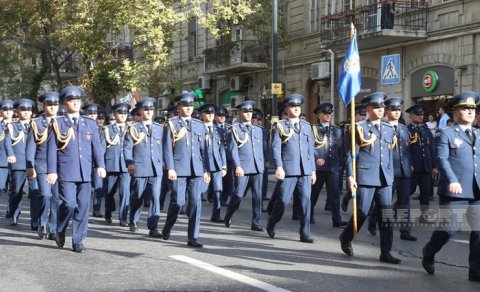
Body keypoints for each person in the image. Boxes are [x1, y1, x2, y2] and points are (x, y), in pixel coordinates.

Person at [422, 91, 480, 282]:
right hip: (455, 190)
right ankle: (429, 251)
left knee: (478, 232)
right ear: (454, 112)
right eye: (465, 108)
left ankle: (475, 270)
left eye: (473, 108)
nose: (470, 112)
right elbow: (441, 159)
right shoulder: (445, 133)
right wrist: (452, 180)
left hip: (476, 190)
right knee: (450, 229)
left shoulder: (478, 134)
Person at [339, 92, 400, 264]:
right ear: (368, 109)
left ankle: (386, 252)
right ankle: (346, 236)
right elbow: (351, 155)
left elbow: (389, 154)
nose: (380, 110)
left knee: (386, 215)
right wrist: (350, 176)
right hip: (366, 176)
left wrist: (392, 175)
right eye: (376, 107)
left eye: (382, 107)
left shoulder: (389, 129)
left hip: (385, 177)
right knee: (363, 212)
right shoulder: (359, 128)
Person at [46, 86, 106, 253]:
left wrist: (100, 165)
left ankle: (78, 239)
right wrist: (52, 171)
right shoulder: (57, 123)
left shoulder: (89, 123)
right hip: (66, 171)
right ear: (65, 103)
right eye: (72, 101)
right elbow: (51, 149)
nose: (76, 103)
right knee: (69, 204)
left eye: (78, 101)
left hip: (85, 171)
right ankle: (61, 227)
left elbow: (96, 147)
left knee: (83, 206)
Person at [162, 91, 210, 248]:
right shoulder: (171, 124)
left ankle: (193, 237)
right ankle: (168, 226)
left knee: (196, 203)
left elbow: (204, 149)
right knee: (178, 202)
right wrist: (170, 168)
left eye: (191, 105)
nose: (189, 108)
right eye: (185, 105)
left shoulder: (199, 125)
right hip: (178, 169)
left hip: (196, 169)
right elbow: (167, 148)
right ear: (179, 106)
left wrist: (206, 170)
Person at [267, 94, 316, 243]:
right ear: (287, 109)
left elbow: (310, 150)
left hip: (305, 170)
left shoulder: (307, 126)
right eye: (293, 106)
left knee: (306, 202)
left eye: (298, 106)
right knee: (282, 200)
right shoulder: (280, 126)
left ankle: (305, 233)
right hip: (288, 169)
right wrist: (279, 167)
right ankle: (272, 222)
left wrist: (312, 170)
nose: (296, 109)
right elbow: (275, 148)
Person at [123, 98, 164, 237]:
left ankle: (153, 227)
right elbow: (127, 148)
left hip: (156, 168)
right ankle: (133, 220)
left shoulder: (160, 128)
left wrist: (166, 163)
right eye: (146, 109)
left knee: (155, 197)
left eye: (151, 109)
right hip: (139, 167)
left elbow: (164, 148)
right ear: (140, 111)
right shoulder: (134, 128)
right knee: (138, 196)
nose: (148, 112)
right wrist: (129, 163)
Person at [223, 100, 265, 231]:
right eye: (245, 112)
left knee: (258, 196)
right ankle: (229, 214)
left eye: (250, 112)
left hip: (257, 166)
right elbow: (233, 149)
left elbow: (262, 148)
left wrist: (265, 162)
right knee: (238, 194)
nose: (248, 114)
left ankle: (256, 222)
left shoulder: (258, 129)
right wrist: (237, 166)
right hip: (243, 167)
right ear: (240, 113)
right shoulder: (234, 129)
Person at [381, 97, 417, 241]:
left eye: (398, 110)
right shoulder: (382, 128)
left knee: (404, 202)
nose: (396, 112)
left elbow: (407, 149)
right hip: (389, 171)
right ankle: (375, 221)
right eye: (393, 110)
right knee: (385, 202)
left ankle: (405, 230)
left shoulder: (404, 129)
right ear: (387, 111)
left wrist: (410, 164)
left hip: (404, 170)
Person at [26, 92, 60, 239]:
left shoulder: (64, 122)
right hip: (42, 165)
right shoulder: (37, 123)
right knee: (46, 195)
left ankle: (53, 228)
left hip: (60, 166)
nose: (52, 107)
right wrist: (30, 166)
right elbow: (31, 147)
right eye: (49, 105)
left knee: (56, 198)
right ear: (43, 106)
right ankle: (43, 222)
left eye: (55, 105)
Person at [310, 103, 346, 227]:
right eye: (325, 113)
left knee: (335, 194)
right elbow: (309, 148)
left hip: (333, 168)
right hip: (319, 168)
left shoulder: (336, 130)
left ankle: (337, 219)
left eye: (330, 113)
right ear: (319, 115)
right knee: (314, 194)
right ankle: (308, 215)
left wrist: (341, 164)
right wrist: (316, 159)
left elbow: (341, 149)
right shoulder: (313, 129)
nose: (328, 115)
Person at [103, 103, 132, 227]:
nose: (123, 115)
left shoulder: (132, 129)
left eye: (125, 113)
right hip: (111, 164)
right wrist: (101, 165)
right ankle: (108, 211)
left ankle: (123, 218)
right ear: (115, 114)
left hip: (126, 166)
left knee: (125, 192)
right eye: (120, 113)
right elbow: (102, 148)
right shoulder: (107, 129)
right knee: (109, 192)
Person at [406, 104, 437, 219]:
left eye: (422, 114)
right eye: (418, 114)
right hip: (413, 166)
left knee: (425, 192)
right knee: (409, 190)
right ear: (411, 116)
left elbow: (431, 149)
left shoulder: (425, 129)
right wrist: (408, 164)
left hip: (426, 166)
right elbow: (405, 150)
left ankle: (424, 215)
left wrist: (434, 166)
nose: (421, 116)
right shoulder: (407, 130)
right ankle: (397, 207)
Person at [7, 99, 34, 226]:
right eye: (23, 110)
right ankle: (14, 215)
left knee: (36, 192)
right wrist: (11, 154)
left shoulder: (37, 125)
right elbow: (7, 142)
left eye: (29, 110)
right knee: (16, 191)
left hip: (34, 164)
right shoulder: (12, 126)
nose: (26, 112)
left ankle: (36, 220)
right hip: (18, 163)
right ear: (18, 111)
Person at [199, 103, 227, 223]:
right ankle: (192, 211)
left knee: (218, 190)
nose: (210, 115)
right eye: (207, 113)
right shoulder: (197, 128)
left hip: (216, 163)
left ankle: (216, 215)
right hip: (202, 164)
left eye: (212, 113)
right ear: (202, 115)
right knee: (200, 190)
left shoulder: (218, 129)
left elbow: (221, 148)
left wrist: (224, 165)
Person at [82, 103, 105, 218]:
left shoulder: (101, 129)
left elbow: (102, 147)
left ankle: (96, 209)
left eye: (94, 113)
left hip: (96, 162)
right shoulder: (80, 126)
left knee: (98, 186)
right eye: (90, 113)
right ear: (85, 113)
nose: (92, 115)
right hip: (84, 161)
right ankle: (83, 211)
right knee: (85, 187)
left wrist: (100, 162)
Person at [0, 100, 15, 210]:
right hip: (1, 162)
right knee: (0, 187)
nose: (8, 112)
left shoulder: (18, 126)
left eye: (10, 110)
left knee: (14, 189)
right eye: (5, 110)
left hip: (15, 162)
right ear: (1, 111)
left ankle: (11, 210)